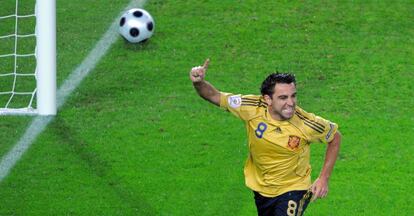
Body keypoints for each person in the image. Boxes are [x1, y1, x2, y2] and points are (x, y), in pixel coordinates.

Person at [189, 59, 342, 216]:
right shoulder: (252, 107)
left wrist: (323, 178)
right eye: (283, 98)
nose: (291, 103)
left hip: (294, 188)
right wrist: (198, 83)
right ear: (267, 99)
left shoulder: (307, 124)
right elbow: (215, 96)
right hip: (262, 188)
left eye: (293, 96)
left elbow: (335, 138)